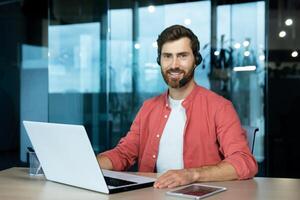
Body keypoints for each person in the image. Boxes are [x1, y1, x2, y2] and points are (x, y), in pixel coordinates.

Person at [97, 25, 258, 189]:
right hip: (151, 194)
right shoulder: (148, 107)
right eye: (167, 56)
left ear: (196, 60)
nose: (174, 65)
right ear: (160, 60)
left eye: (182, 56)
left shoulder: (220, 107)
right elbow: (123, 153)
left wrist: (192, 174)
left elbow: (244, 161)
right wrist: (89, 164)